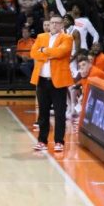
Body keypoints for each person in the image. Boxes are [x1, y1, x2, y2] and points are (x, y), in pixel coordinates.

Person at [29, 15, 74, 153]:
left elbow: (61, 52)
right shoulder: (41, 37)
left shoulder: (67, 38)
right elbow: (33, 53)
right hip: (42, 79)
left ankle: (59, 141)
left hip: (58, 81)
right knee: (43, 113)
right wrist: (49, 54)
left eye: (57, 23)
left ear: (62, 25)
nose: (53, 25)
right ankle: (42, 141)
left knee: (60, 112)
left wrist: (44, 51)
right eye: (51, 23)